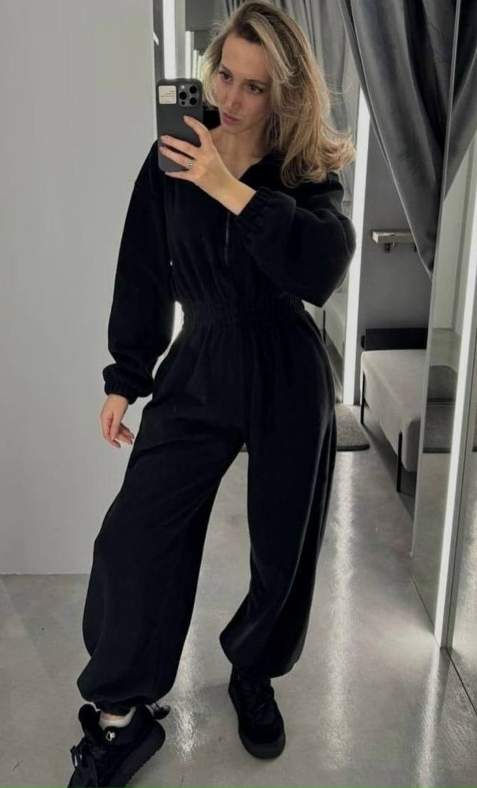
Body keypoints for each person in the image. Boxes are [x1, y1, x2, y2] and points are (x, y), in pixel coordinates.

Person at [67, 1, 357, 785]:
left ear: (283, 94)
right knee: (134, 535)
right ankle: (122, 713)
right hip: (201, 355)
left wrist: (231, 187)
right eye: (224, 74)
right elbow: (141, 267)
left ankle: (253, 671)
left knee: (283, 543)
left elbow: (322, 268)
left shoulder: (305, 170)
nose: (230, 98)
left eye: (254, 87)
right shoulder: (174, 149)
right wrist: (126, 377)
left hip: (285, 360)